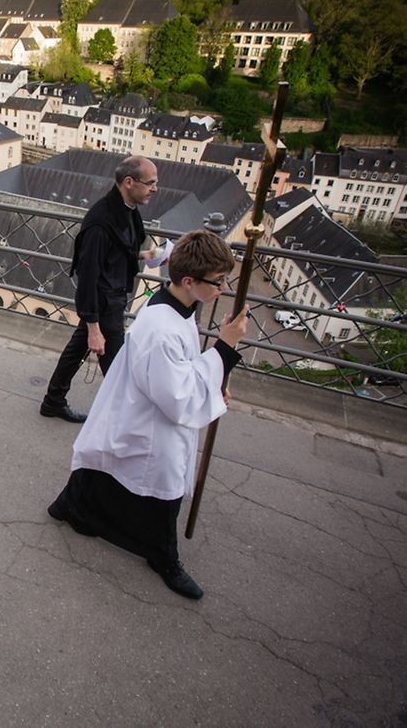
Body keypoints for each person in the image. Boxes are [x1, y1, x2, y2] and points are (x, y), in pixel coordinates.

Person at [47, 230, 248, 601]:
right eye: (218, 281)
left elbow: (183, 371)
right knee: (161, 483)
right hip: (151, 415)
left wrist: (212, 383)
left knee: (109, 463)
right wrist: (224, 349)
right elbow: (178, 395)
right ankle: (163, 556)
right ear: (188, 281)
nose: (223, 288)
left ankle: (74, 508)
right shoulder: (161, 328)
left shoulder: (178, 308)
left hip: (140, 405)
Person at [40, 155, 159, 423]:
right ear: (129, 182)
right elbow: (88, 276)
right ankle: (126, 420)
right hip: (103, 303)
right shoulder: (100, 222)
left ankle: (53, 401)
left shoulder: (127, 211)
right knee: (117, 366)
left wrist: (146, 256)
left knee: (76, 351)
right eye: (150, 183)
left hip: (110, 297)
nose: (155, 188)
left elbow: (116, 253)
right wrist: (94, 327)